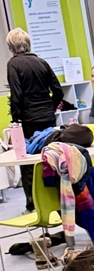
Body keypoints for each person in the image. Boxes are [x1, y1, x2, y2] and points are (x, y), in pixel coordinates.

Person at [5, 27, 64, 210]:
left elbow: (17, 95)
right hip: (47, 118)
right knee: (50, 159)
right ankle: (55, 201)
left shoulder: (13, 65)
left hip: (28, 120)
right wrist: (50, 108)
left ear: (11, 46)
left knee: (27, 163)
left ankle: (32, 205)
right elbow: (58, 91)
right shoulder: (42, 62)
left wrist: (16, 120)